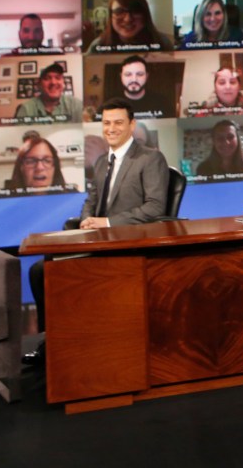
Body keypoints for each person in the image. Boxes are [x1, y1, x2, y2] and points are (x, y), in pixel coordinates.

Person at [25, 98, 170, 364]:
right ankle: (53, 342)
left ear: (132, 125)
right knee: (40, 270)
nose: (111, 129)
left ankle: (64, 345)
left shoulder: (150, 158)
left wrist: (108, 223)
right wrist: (86, 221)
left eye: (118, 123)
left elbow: (155, 208)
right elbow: (90, 201)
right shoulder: (103, 161)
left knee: (44, 271)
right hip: (97, 240)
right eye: (106, 123)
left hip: (127, 245)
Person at [87, 0, 174, 53]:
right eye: (119, 11)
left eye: (135, 11)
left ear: (145, 15)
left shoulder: (163, 43)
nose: (128, 19)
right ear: (110, 16)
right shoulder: (97, 46)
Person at [1, 135, 71, 194]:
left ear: (55, 167)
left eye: (47, 160)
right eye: (31, 161)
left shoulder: (72, 196)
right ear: (21, 167)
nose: (39, 167)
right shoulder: (2, 199)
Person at [14, 62, 82, 121]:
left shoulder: (76, 105)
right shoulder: (26, 108)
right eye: (47, 78)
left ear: (63, 83)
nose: (53, 82)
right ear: (39, 84)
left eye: (58, 78)